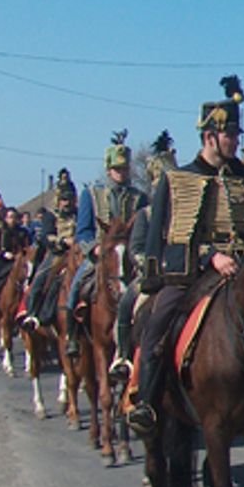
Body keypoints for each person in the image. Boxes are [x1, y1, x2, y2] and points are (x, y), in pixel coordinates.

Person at [128, 79, 244, 436]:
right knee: (155, 326)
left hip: (243, 274)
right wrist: (210, 256)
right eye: (230, 136)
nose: (236, 142)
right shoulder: (177, 180)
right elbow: (165, 239)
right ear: (210, 137)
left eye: (237, 135)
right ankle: (146, 401)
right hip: (193, 275)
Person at [67, 131, 149, 342]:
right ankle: (72, 335)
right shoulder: (92, 194)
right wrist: (93, 247)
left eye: (124, 168)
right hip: (100, 254)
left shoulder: (139, 198)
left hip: (130, 254)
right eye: (116, 169)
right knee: (76, 286)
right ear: (108, 170)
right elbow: (83, 230)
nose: (121, 173)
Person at [109, 130, 178, 380]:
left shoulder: (185, 212)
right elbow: (136, 249)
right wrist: (155, 264)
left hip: (183, 273)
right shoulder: (145, 215)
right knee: (128, 303)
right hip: (152, 276)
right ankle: (124, 356)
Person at [19, 170, 78, 332]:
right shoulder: (50, 216)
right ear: (59, 200)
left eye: (69, 199)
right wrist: (63, 241)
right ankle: (32, 313)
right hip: (57, 254)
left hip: (78, 253)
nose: (67, 203)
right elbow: (46, 236)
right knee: (40, 278)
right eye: (64, 199)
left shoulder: (79, 214)